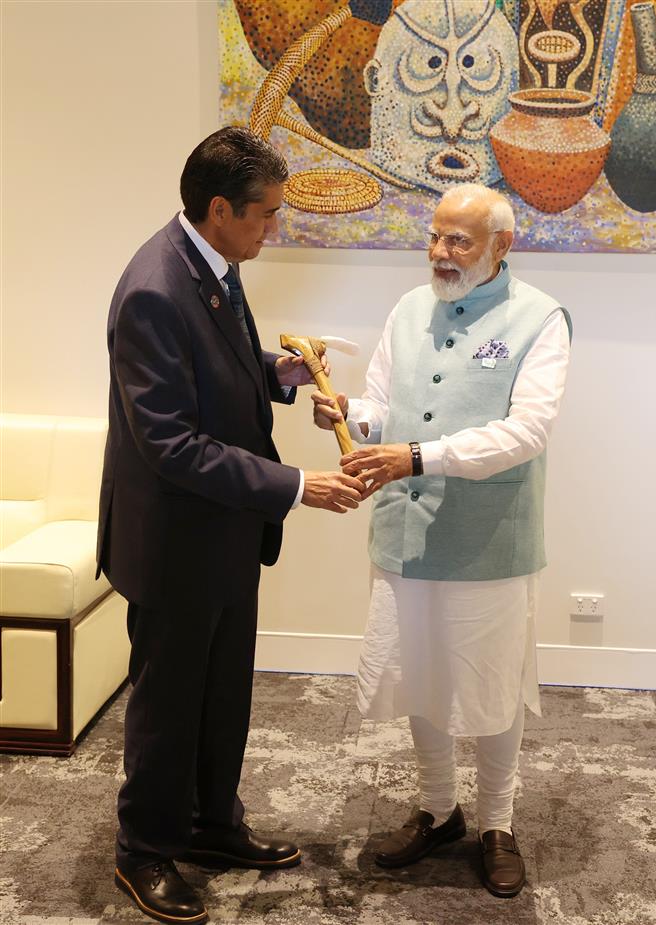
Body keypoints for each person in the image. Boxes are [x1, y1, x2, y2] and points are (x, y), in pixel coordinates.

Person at [97, 126, 365, 925]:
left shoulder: (212, 263)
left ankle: (212, 825)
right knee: (169, 701)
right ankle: (144, 849)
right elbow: (171, 441)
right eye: (266, 215)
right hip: (175, 539)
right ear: (220, 209)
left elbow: (220, 362)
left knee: (221, 695)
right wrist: (294, 487)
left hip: (223, 532)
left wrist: (279, 376)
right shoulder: (152, 288)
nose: (273, 228)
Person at [312, 183, 571, 899]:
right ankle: (438, 808)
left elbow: (526, 433)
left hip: (488, 541)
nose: (440, 252)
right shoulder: (407, 308)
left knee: (490, 686)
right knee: (419, 671)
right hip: (404, 532)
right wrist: (351, 416)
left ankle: (497, 822)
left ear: (501, 246)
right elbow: (385, 408)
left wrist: (416, 455)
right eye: (435, 236)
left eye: (459, 240)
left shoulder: (540, 319)